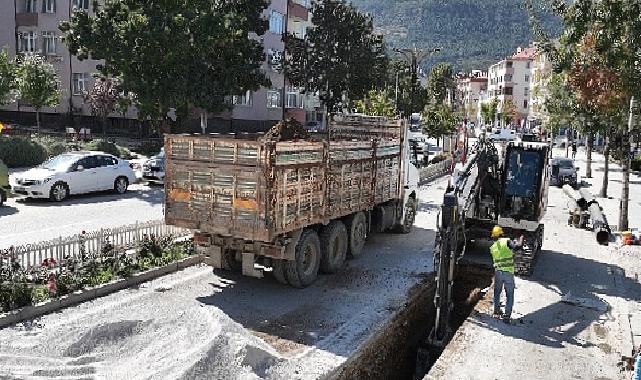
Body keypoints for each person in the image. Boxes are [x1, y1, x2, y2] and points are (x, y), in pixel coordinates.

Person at [490, 226, 523, 323]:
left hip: (498, 273)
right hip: (508, 272)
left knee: (497, 292)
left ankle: (496, 312)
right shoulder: (506, 241)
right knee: (509, 294)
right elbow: (518, 247)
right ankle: (507, 316)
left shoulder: (493, 247)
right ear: (501, 234)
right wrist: (521, 237)